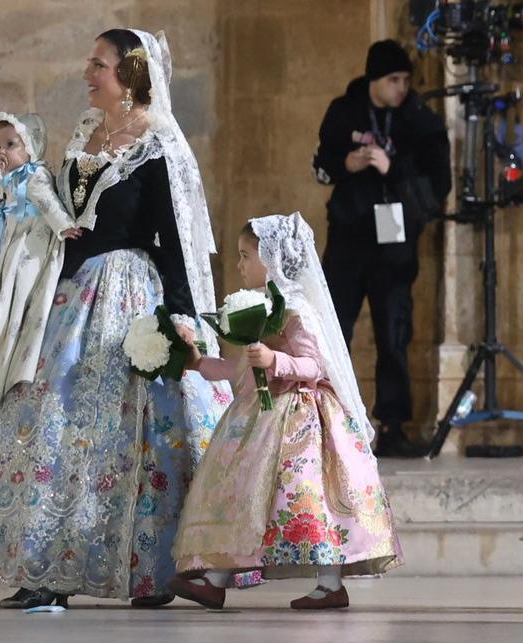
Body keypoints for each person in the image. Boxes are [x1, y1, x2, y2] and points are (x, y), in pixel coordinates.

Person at [0, 28, 231, 611]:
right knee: (40, 418)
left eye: (98, 64)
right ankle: (47, 569)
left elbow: (176, 240)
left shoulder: (159, 142)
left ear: (132, 73)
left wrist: (182, 318)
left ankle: (148, 572)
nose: (87, 73)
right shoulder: (83, 132)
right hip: (66, 293)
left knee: (124, 436)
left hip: (126, 293)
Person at [169, 213, 400, 612]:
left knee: (309, 494)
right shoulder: (254, 308)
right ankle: (215, 579)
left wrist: (276, 359)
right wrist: (197, 363)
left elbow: (314, 366)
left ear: (272, 259)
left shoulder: (296, 309)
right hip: (258, 417)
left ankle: (330, 583)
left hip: (301, 417)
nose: (239, 265)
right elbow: (238, 369)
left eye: (245, 256)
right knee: (243, 492)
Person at [315, 39, 452, 459]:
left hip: (394, 247)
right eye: (394, 80)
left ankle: (392, 425)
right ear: (375, 80)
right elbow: (322, 164)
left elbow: (438, 182)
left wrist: (393, 168)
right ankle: (321, 418)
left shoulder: (418, 120)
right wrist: (348, 165)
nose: (401, 88)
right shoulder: (344, 112)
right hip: (350, 240)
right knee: (332, 328)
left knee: (394, 333)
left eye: (406, 80)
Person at [0, 114, 74, 420]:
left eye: (11, 145)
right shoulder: (13, 176)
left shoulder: (35, 175)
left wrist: (64, 227)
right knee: (6, 287)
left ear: (32, 146)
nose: (2, 152)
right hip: (13, 243)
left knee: (22, 284)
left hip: (30, 244)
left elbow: (47, 202)